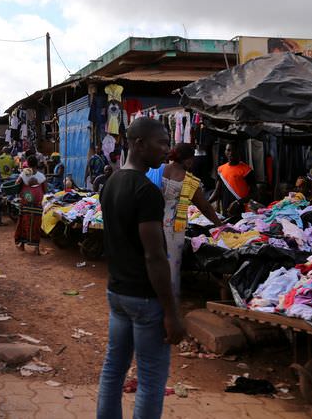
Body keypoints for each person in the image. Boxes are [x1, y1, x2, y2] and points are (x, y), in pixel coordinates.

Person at [97, 117, 184, 419]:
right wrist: (171, 312)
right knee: (150, 380)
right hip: (145, 299)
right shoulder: (146, 191)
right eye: (161, 142)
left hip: (117, 292)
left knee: (113, 370)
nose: (167, 149)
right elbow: (155, 256)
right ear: (139, 144)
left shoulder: (112, 182)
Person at [158, 143, 222, 299]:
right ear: (186, 160)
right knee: (172, 263)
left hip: (154, 222)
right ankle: (169, 299)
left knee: (155, 259)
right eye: (191, 158)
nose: (192, 163)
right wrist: (219, 224)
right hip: (174, 227)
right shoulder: (189, 181)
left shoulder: (158, 169)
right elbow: (205, 207)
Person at [208, 143, 256, 217]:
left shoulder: (247, 171)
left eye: (234, 150)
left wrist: (238, 202)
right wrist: (206, 203)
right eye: (228, 150)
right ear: (225, 152)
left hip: (241, 211)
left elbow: (255, 194)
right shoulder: (221, 169)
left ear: (238, 151)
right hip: (226, 210)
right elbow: (217, 191)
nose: (231, 153)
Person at [14, 155, 46, 252]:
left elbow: (16, 183)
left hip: (26, 202)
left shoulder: (24, 173)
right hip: (37, 203)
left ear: (27, 164)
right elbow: (45, 189)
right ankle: (36, 248)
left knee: (23, 223)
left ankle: (22, 245)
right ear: (37, 164)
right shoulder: (41, 176)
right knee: (36, 224)